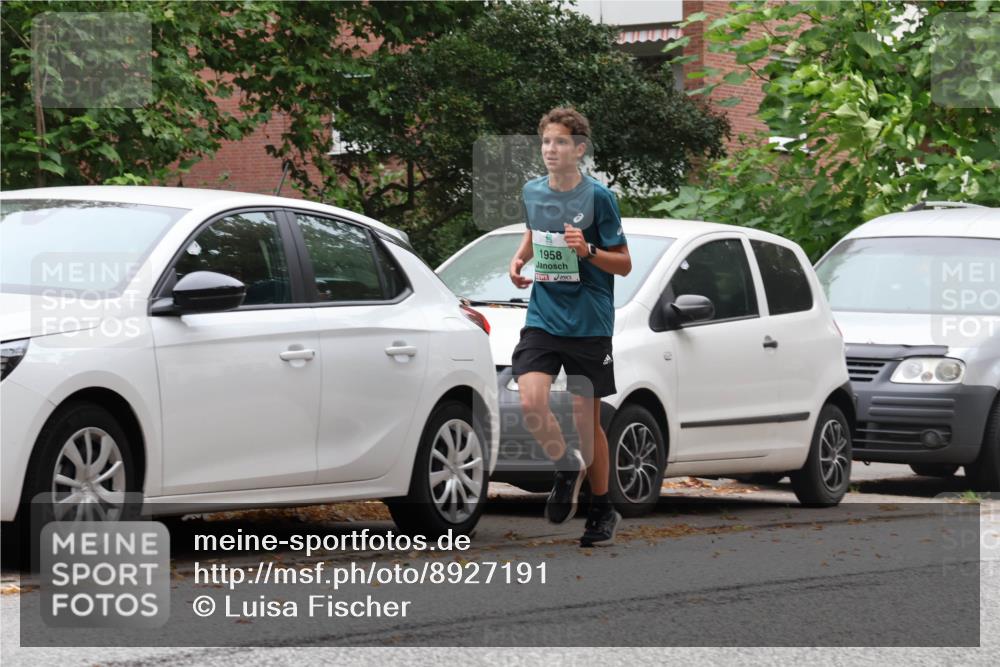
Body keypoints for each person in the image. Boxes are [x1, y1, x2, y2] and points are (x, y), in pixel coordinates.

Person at [508, 107, 631, 547]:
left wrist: (589, 250)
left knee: (586, 423)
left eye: (561, 142)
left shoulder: (599, 198)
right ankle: (564, 466)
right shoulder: (533, 191)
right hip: (544, 315)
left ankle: (602, 508)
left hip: (589, 324)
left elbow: (625, 263)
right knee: (530, 400)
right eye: (546, 142)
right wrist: (520, 258)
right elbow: (533, 231)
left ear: (579, 149)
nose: (551, 150)